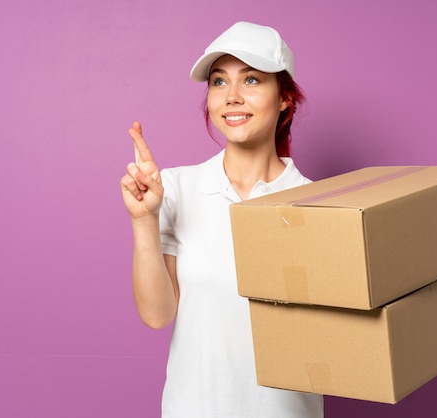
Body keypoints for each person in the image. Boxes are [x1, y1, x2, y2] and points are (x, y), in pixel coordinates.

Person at [120, 21, 324, 418]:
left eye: (251, 79)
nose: (231, 97)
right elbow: (157, 315)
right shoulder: (177, 188)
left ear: (284, 98)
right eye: (218, 82)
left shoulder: (317, 205)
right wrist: (145, 219)